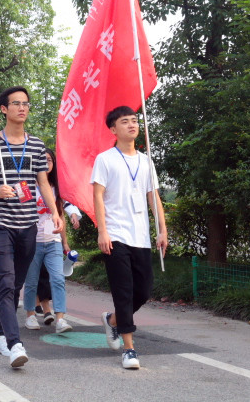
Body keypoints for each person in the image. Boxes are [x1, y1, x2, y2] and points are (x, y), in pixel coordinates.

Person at [0, 86, 62, 368]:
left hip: (28, 226)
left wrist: (55, 212)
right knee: (6, 283)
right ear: (3, 109)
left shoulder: (36, 145)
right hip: (0, 225)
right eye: (16, 103)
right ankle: (14, 344)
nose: (22, 108)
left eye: (26, 103)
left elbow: (42, 182)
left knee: (16, 285)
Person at [92, 106, 168, 370]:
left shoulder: (146, 161)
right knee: (123, 291)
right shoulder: (105, 159)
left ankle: (113, 320)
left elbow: (153, 196)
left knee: (144, 291)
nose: (132, 125)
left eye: (134, 120)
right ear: (113, 129)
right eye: (125, 122)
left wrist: (162, 229)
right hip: (115, 235)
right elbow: (98, 195)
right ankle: (129, 348)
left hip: (141, 236)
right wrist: (102, 231)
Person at [23, 148, 73, 334]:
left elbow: (62, 214)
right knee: (31, 280)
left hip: (53, 241)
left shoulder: (58, 188)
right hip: (33, 241)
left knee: (58, 278)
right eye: (42, 160)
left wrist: (65, 242)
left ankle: (60, 319)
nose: (46, 163)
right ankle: (30, 315)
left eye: (49, 160)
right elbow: (21, 211)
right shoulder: (26, 185)